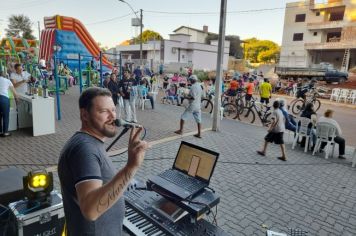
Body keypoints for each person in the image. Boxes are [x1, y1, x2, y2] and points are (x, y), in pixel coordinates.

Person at [58, 87, 148, 236]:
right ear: (84, 115)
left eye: (113, 110)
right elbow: (91, 211)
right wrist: (131, 167)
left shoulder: (89, 143)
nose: (113, 116)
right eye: (104, 111)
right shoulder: (84, 149)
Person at [0, 70, 19, 137]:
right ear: (3, 74)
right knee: (6, 116)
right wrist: (17, 99)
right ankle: (5, 132)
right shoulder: (7, 81)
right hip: (4, 99)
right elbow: (14, 92)